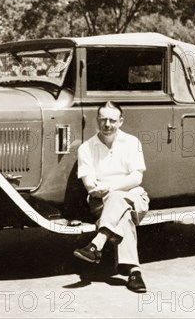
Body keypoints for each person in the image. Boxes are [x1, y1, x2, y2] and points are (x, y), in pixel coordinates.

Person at [73, 101, 150, 293]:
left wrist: (109, 187)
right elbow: (89, 182)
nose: (107, 124)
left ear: (121, 121)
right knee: (123, 215)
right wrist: (96, 189)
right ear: (97, 120)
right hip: (102, 202)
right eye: (103, 120)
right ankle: (134, 272)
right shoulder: (86, 148)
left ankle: (97, 243)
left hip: (134, 196)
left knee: (119, 199)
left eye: (112, 120)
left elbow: (136, 177)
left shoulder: (132, 143)